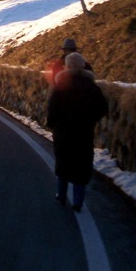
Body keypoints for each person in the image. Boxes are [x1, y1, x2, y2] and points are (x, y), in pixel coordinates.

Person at [46, 52, 108, 212]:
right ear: (83, 65)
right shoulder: (92, 87)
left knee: (63, 163)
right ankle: (78, 202)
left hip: (63, 132)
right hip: (84, 133)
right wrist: (90, 120)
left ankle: (61, 195)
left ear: (67, 66)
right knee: (82, 165)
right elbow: (102, 108)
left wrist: (53, 124)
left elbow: (52, 109)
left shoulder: (60, 86)